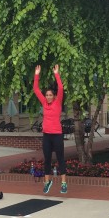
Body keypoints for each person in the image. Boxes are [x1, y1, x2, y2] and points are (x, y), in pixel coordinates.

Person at [33, 64, 67, 194]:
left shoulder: (57, 102)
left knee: (60, 158)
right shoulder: (43, 103)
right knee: (47, 159)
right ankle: (47, 182)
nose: (47, 97)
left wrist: (56, 74)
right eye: (46, 95)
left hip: (57, 135)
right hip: (46, 135)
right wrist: (37, 75)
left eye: (50, 95)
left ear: (53, 96)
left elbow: (61, 87)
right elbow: (36, 90)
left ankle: (63, 183)